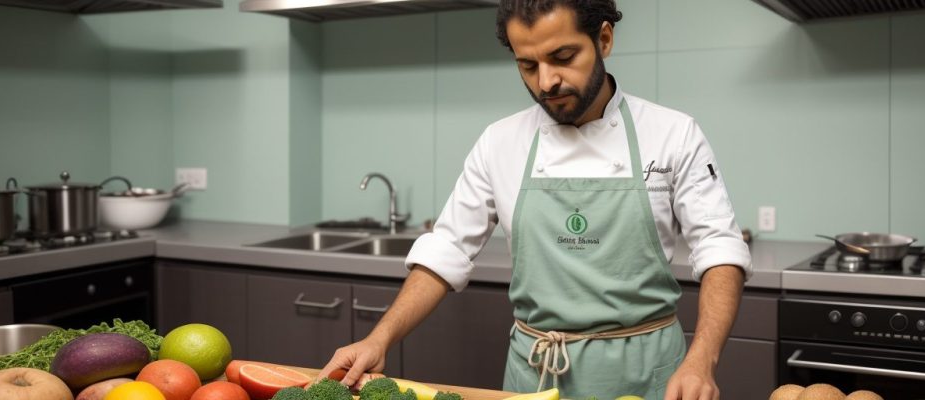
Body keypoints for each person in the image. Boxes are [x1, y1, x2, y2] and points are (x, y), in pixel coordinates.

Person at [318, 1, 751, 399]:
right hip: (535, 375)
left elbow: (720, 249)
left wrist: (701, 360)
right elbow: (447, 249)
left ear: (603, 40)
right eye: (527, 65)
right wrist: (380, 337)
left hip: (652, 375)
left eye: (563, 58)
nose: (546, 81)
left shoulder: (673, 134)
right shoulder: (500, 142)